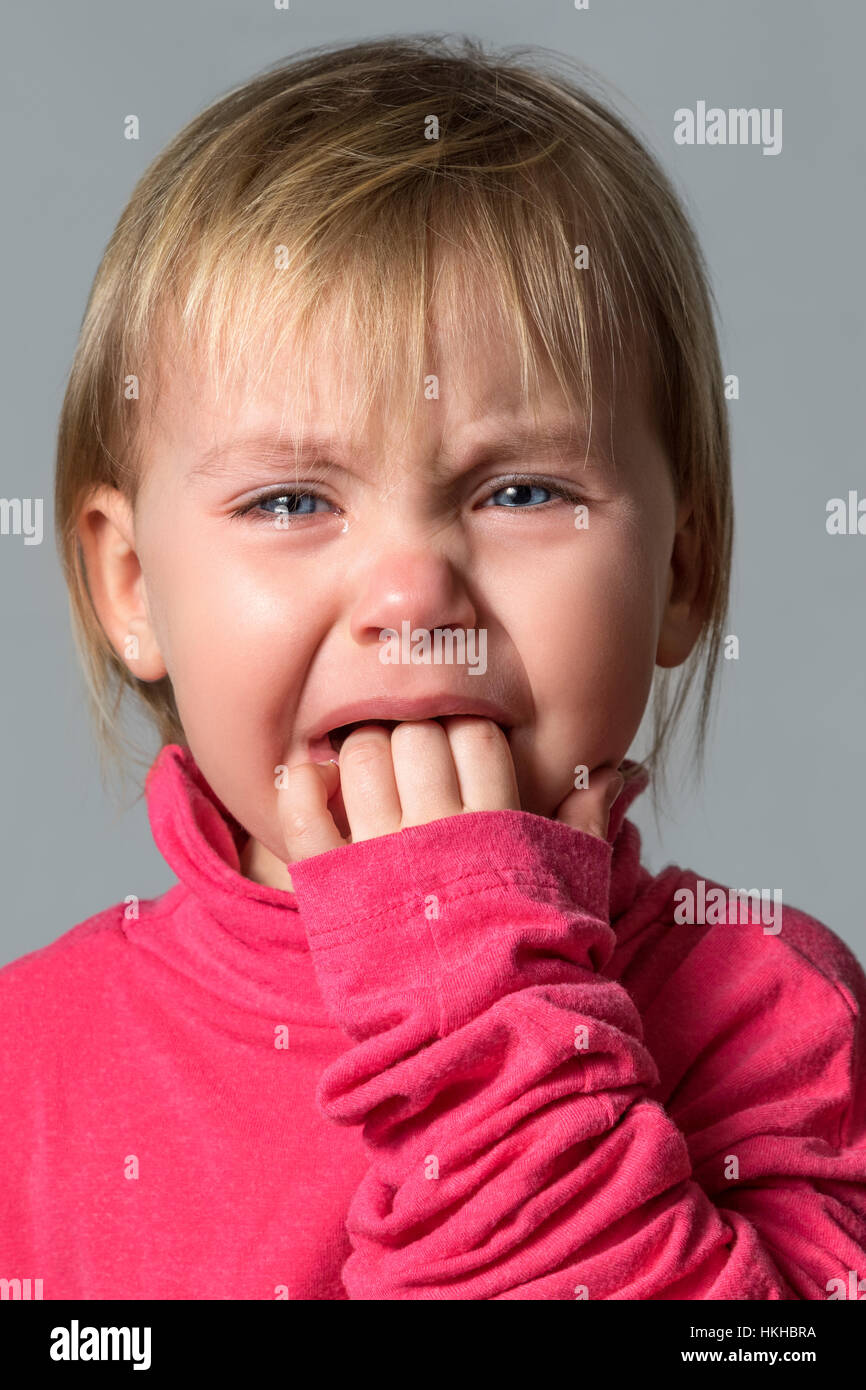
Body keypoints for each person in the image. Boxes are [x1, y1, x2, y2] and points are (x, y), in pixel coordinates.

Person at [2, 35, 864, 1300]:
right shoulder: (29, 1064)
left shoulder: (775, 1014)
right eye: (291, 500)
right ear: (130, 586)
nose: (413, 594)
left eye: (521, 489)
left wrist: (477, 1000)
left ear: (684, 571)